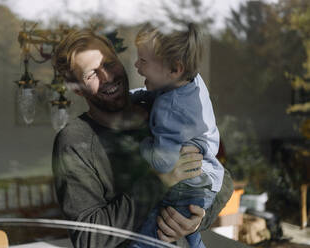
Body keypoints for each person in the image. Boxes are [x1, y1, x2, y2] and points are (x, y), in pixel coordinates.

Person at [52, 28, 234, 248]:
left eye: (109, 64)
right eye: (91, 74)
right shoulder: (74, 141)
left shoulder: (160, 104)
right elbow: (88, 239)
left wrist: (195, 219)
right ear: (77, 89)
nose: (107, 77)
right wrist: (157, 182)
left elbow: (221, 178)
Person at [129, 24, 224, 248]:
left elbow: (163, 162)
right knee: (190, 234)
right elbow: (153, 94)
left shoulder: (169, 109)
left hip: (186, 187)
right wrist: (132, 97)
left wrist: (139, 144)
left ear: (175, 69)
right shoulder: (185, 85)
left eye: (143, 61)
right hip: (201, 185)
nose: (136, 66)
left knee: (146, 237)